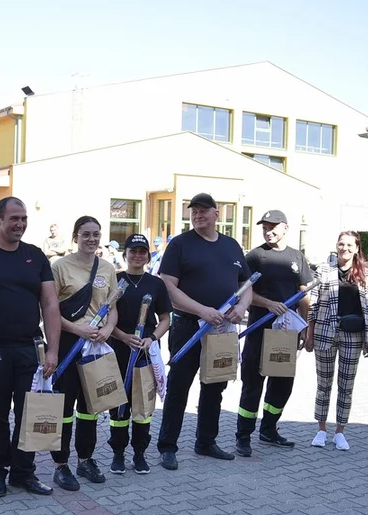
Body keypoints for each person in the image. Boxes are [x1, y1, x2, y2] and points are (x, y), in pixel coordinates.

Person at [0, 197, 60, 498]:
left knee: (30, 411)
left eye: (23, 219)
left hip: (29, 348)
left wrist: (53, 350)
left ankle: (23, 473)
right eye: (13, 218)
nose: (19, 224)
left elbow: (50, 303)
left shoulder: (35, 256)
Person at [156, 193, 251, 470]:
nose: (197, 215)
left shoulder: (232, 246)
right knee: (179, 387)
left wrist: (242, 306)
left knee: (215, 385)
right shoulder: (180, 245)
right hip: (189, 326)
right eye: (193, 212)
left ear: (216, 213)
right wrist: (201, 310)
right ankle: (168, 446)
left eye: (203, 211)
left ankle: (206, 441)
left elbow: (246, 283)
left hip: (221, 328)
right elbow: (168, 287)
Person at [235, 210, 313, 457]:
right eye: (265, 227)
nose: (269, 231)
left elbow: (304, 293)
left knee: (282, 385)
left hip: (286, 331)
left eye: (273, 227)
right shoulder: (255, 256)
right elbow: (242, 290)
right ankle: (243, 436)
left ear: (286, 228)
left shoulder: (296, 257)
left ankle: (269, 429)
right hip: (260, 328)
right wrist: (267, 303)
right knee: (253, 383)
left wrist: (306, 328)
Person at [50, 215, 119, 490]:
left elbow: (113, 307)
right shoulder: (60, 267)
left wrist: (108, 329)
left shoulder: (107, 268)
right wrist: (78, 330)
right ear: (75, 237)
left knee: (92, 406)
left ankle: (86, 458)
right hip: (70, 343)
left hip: (96, 345)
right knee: (66, 408)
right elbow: (50, 310)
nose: (91, 239)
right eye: (86, 234)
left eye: (96, 234)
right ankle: (61, 464)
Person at [303, 231, 368, 451]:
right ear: (336, 246)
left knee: (346, 385)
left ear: (357, 248)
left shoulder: (365, 273)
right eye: (341, 244)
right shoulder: (325, 270)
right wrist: (309, 334)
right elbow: (313, 304)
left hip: (353, 334)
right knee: (323, 383)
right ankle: (321, 430)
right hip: (325, 332)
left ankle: (340, 432)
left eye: (349, 245)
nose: (344, 248)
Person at [107, 233, 171, 474]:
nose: (137, 255)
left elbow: (165, 319)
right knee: (118, 405)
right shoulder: (116, 280)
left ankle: (140, 453)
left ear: (147, 255)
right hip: (119, 350)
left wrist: (151, 339)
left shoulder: (156, 284)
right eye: (132, 251)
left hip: (145, 353)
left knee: (143, 407)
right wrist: (123, 337)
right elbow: (105, 318)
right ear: (125, 254)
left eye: (142, 251)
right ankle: (118, 452)